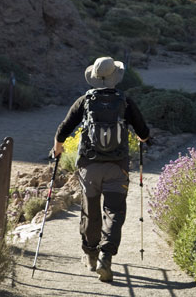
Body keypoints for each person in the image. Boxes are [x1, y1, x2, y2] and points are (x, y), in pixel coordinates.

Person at [53, 56, 150, 282]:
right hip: (117, 167)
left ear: (95, 77)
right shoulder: (125, 101)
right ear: (116, 77)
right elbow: (144, 133)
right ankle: (106, 257)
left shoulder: (84, 101)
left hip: (90, 166)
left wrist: (57, 149)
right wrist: (140, 136)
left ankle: (90, 255)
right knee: (114, 212)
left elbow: (63, 129)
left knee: (91, 211)